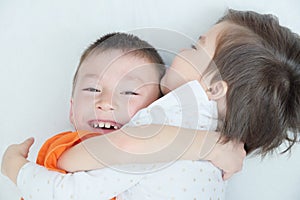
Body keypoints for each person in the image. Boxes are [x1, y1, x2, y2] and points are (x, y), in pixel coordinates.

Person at [1, 31, 245, 200]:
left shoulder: (143, 154)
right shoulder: (67, 149)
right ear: (72, 110)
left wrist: (15, 168)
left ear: (153, 111)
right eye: (92, 89)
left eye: (129, 92)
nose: (107, 102)